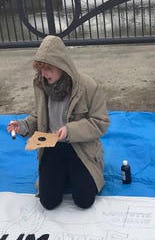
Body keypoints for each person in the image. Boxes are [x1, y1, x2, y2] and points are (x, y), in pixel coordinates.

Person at [7, 35, 110, 210]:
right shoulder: (41, 85)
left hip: (80, 147)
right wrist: (23, 126)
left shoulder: (88, 86)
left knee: (84, 201)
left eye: (48, 68)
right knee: (48, 202)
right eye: (41, 69)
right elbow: (39, 117)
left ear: (63, 66)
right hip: (51, 145)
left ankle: (81, 171)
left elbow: (100, 123)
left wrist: (70, 131)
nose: (44, 74)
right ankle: (63, 173)